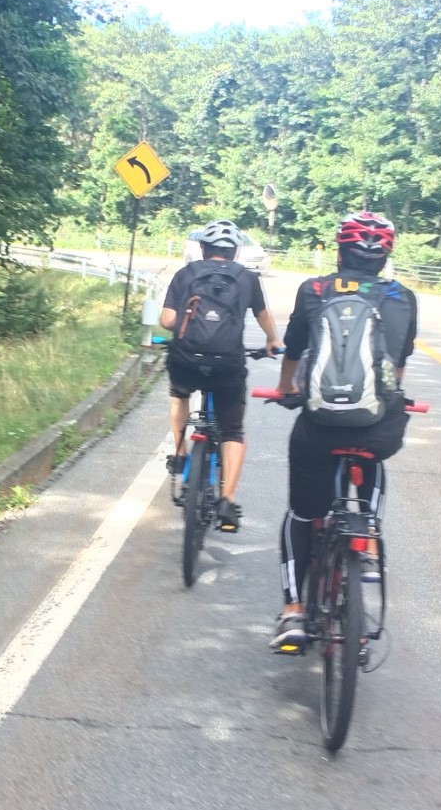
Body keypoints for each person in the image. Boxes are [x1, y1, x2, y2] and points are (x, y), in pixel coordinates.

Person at [268, 211, 419, 650]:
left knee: (301, 513)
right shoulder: (402, 296)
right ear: (385, 257)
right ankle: (366, 536)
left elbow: (294, 348)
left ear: (339, 252)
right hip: (377, 426)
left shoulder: (314, 290)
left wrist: (285, 389)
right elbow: (398, 363)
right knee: (374, 450)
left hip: (319, 425)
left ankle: (293, 611)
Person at [159, 218, 281, 532]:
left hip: (187, 361)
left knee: (179, 396)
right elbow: (263, 315)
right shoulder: (247, 278)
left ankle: (180, 453)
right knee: (233, 431)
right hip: (227, 365)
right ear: (236, 252)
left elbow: (167, 320)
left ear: (203, 248)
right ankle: (227, 499)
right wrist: (272, 341)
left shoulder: (185, 274)